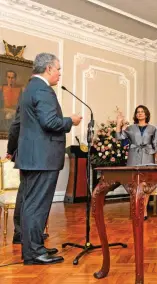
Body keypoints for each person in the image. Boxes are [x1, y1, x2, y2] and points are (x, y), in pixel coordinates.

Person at [8, 53, 82, 265]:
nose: (59, 74)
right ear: (49, 68)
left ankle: (34, 247)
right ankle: (33, 253)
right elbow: (50, 122)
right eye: (58, 69)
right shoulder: (43, 89)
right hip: (42, 157)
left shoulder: (28, 90)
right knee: (36, 206)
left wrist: (12, 149)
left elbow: (16, 125)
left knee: (30, 203)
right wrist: (71, 121)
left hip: (31, 157)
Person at [116, 105, 157, 220]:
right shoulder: (130, 128)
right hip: (134, 155)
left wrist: (155, 158)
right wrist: (119, 123)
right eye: (138, 112)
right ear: (135, 115)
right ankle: (135, 210)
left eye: (142, 112)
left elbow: (155, 144)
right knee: (133, 183)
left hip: (148, 157)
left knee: (147, 185)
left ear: (146, 114)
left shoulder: (153, 128)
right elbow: (119, 137)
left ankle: (143, 210)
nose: (140, 114)